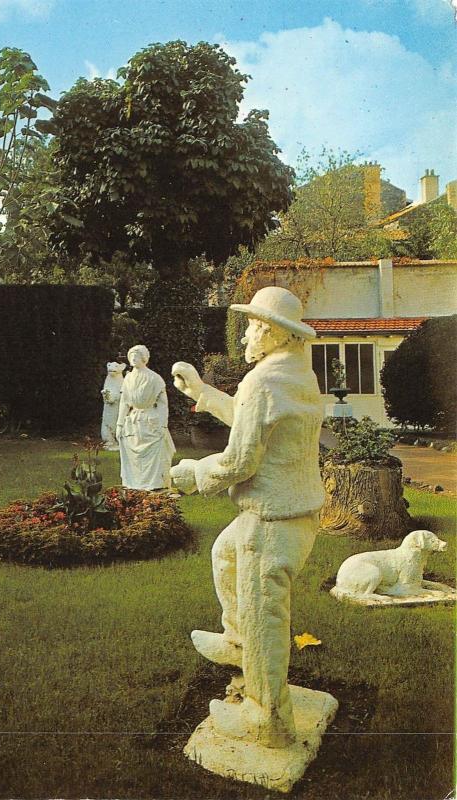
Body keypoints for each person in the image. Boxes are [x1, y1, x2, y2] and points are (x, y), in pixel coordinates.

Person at [171, 286, 324, 748]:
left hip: (272, 519)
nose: (244, 338)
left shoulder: (265, 381)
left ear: (274, 333)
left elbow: (239, 463)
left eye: (252, 328)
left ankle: (265, 721)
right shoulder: (295, 372)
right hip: (293, 510)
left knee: (265, 617)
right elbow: (250, 416)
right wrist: (201, 392)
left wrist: (192, 473)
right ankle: (239, 643)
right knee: (224, 554)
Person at [116, 344, 175, 490]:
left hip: (150, 419)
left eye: (136, 355)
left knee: (156, 452)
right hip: (134, 419)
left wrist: (162, 424)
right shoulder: (128, 379)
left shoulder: (154, 378)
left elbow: (162, 404)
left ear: (144, 358)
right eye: (131, 356)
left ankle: (155, 483)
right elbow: (124, 402)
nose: (134, 358)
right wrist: (119, 424)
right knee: (133, 454)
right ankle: (134, 483)